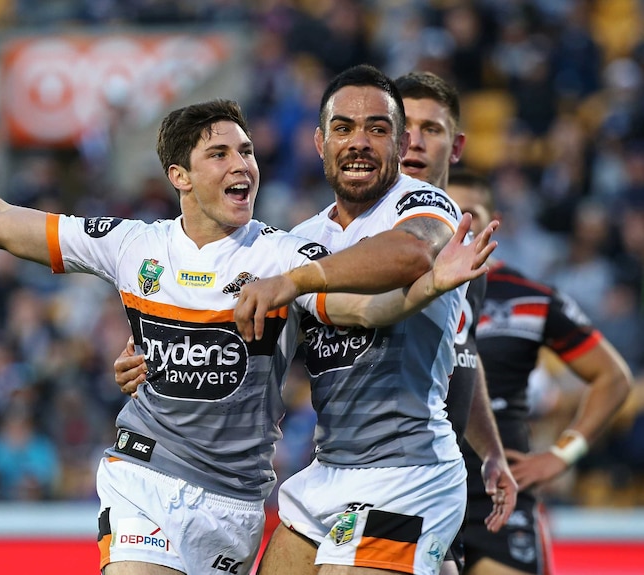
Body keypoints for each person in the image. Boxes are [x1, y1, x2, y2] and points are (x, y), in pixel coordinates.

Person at [0, 95, 493, 575]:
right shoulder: (132, 246)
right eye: (220, 154)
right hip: (145, 478)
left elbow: (366, 311)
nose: (242, 164)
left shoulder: (284, 258)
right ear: (180, 176)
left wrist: (432, 286)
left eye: (247, 151)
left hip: (237, 502)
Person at [233, 64, 509, 575]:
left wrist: (297, 279)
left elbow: (412, 255)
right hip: (330, 469)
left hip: (408, 470)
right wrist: (149, 358)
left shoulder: (425, 204)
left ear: (399, 143)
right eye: (343, 128)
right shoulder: (300, 236)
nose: (359, 142)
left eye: (377, 129)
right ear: (319, 142)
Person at [444, 168, 632, 575]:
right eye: (449, 213)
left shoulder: (530, 297)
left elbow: (614, 377)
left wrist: (563, 455)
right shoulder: (403, 293)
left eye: (471, 214)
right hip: (418, 486)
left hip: (497, 497)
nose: (459, 226)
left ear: (495, 221)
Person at [395, 71, 517, 575]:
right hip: (368, 470)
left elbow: (462, 353)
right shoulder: (352, 236)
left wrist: (491, 451)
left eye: (432, 128)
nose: (415, 142)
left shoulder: (465, 246)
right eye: (402, 127)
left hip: (437, 479)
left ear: (458, 144)